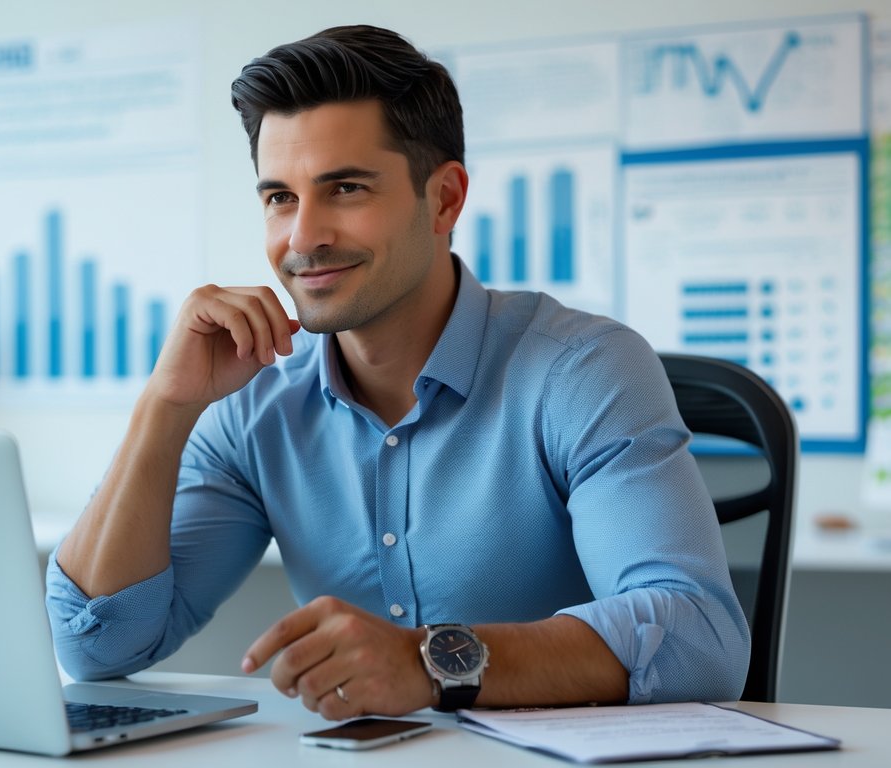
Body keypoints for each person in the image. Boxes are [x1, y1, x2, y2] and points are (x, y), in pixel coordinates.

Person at [46, 24, 749, 719]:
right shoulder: (254, 399)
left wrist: (428, 662)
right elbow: (98, 646)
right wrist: (165, 408)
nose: (302, 237)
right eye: (280, 198)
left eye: (346, 188)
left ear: (444, 199)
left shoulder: (582, 371)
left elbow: (697, 638)